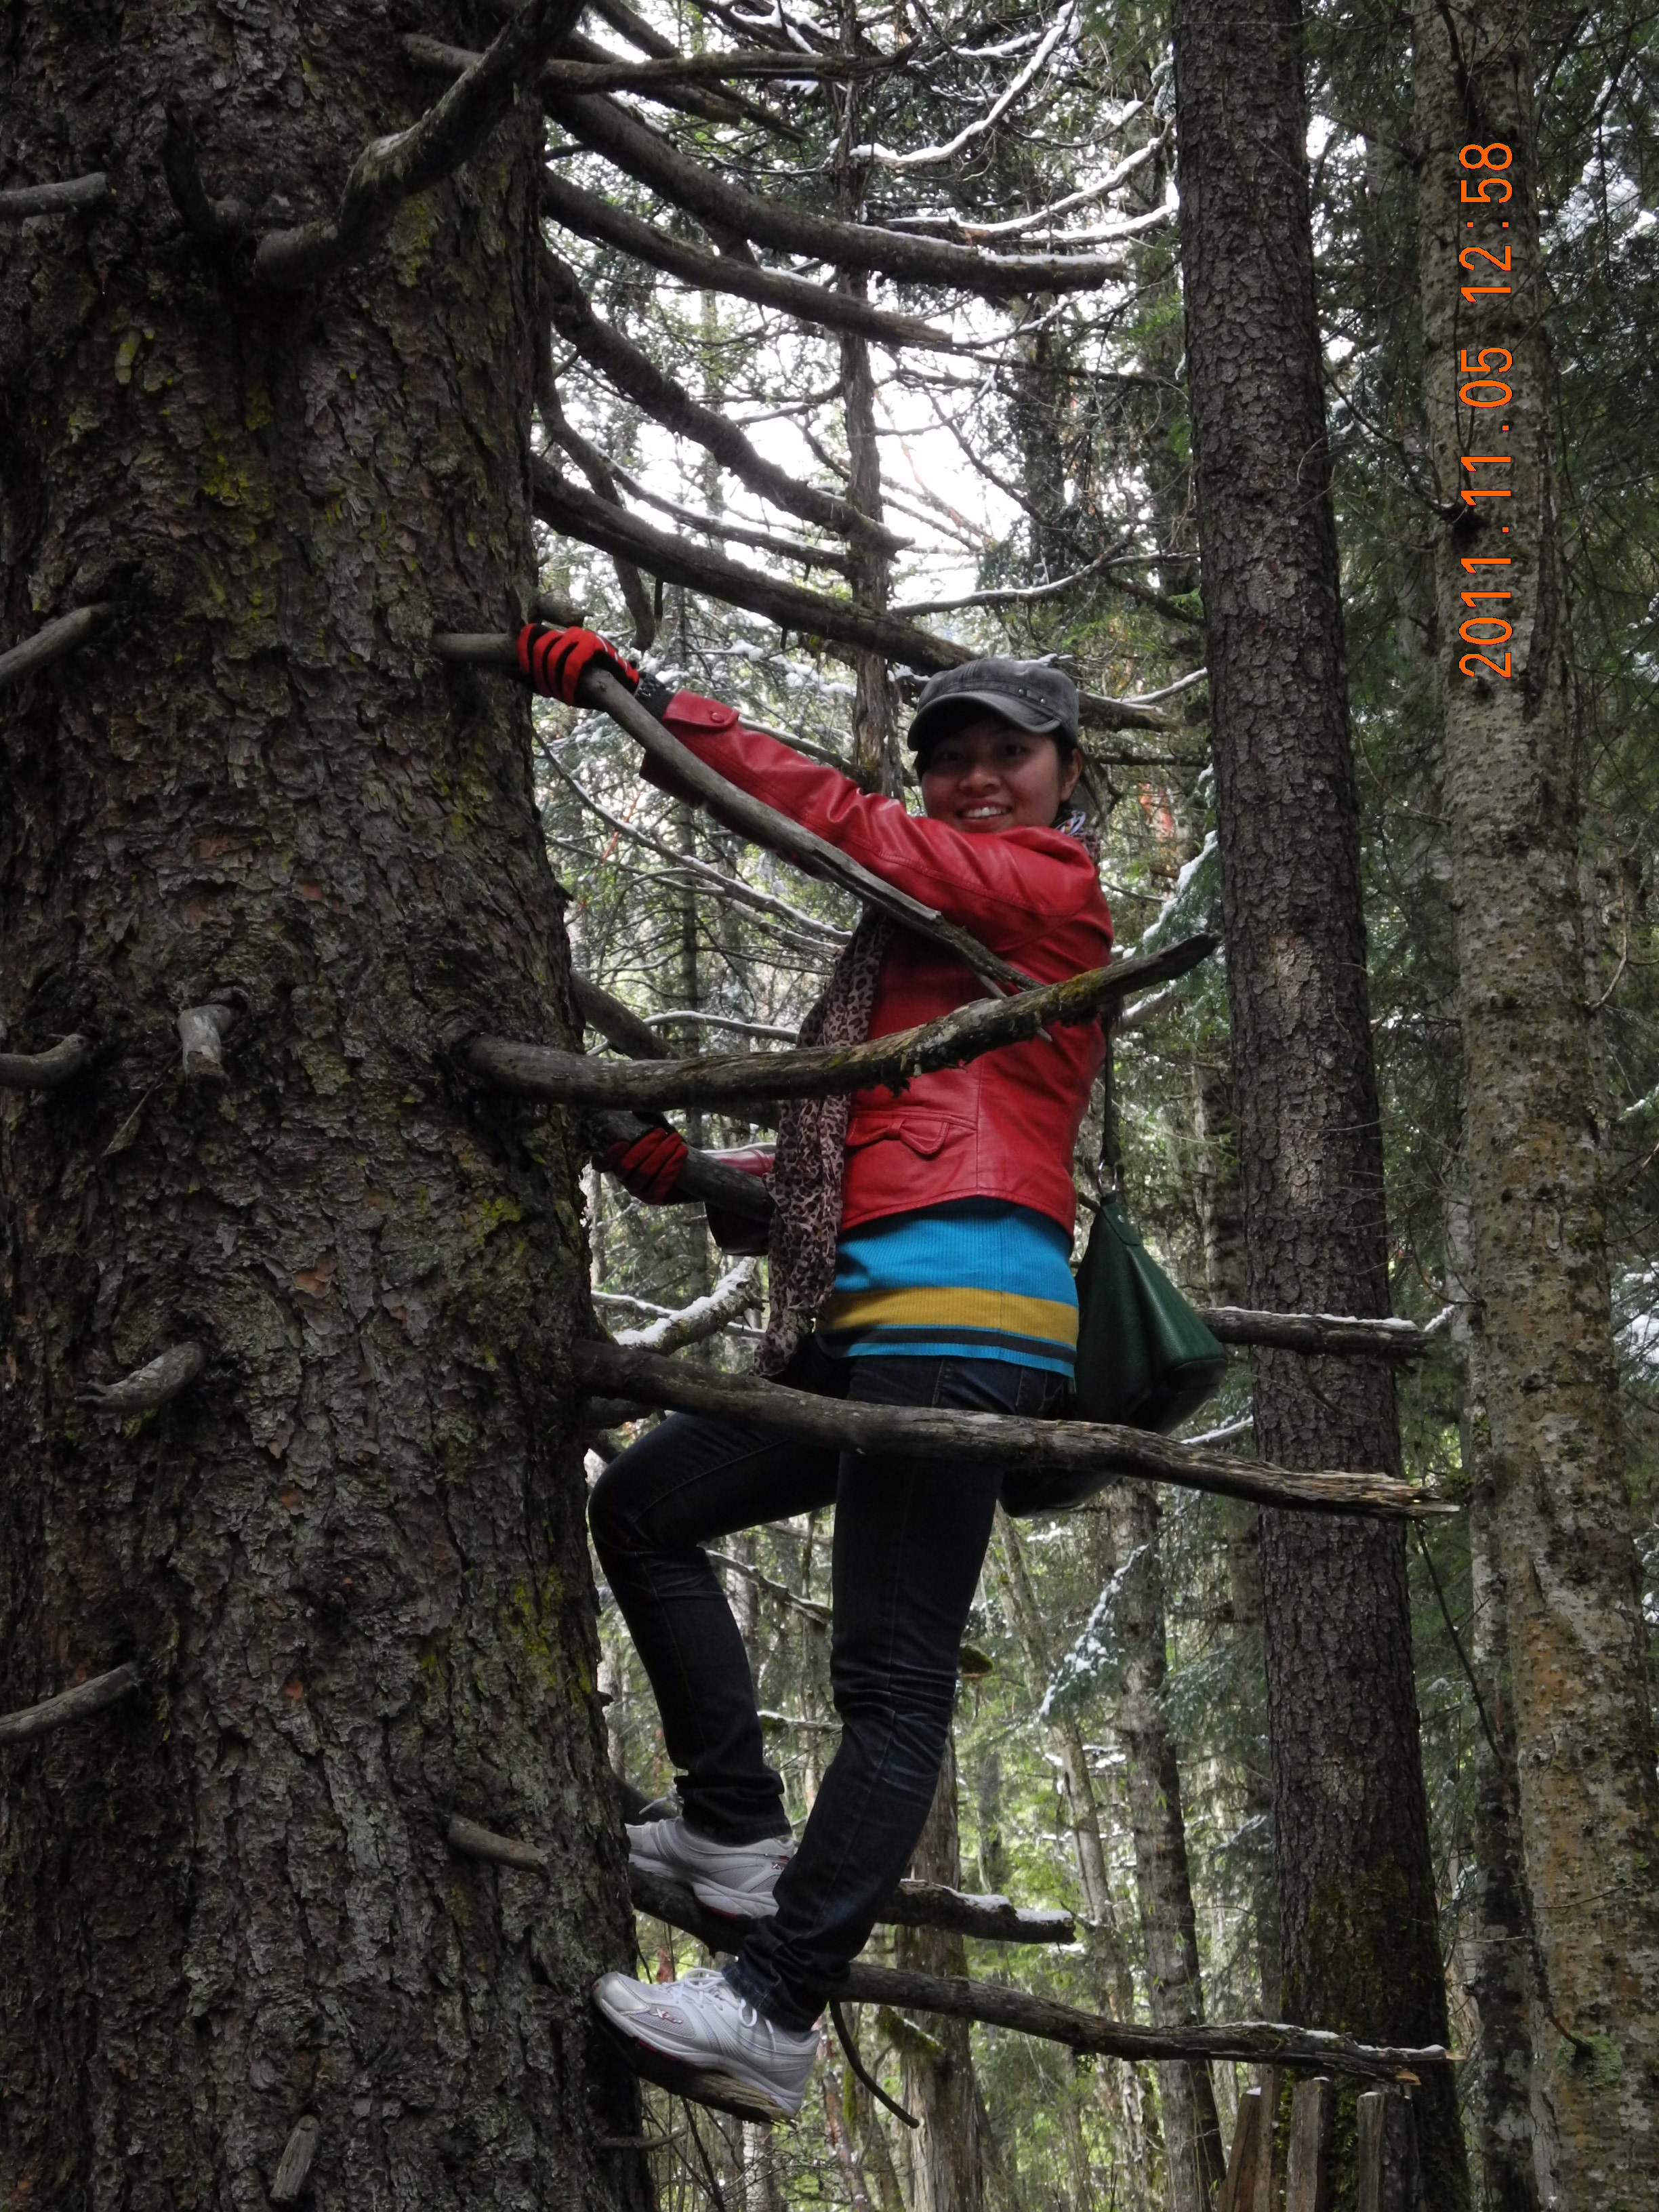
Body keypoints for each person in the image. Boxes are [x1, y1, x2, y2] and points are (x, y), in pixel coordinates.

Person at [518, 624, 1113, 2121]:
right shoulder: (932, 940)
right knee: (646, 1508)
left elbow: (843, 826)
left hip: (965, 1321)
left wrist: (644, 700)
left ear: (1067, 774)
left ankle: (773, 2006)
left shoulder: (1045, 888)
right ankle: (732, 1827)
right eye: (952, 759)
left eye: (1010, 754)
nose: (977, 780)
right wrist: (689, 1175)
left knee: (891, 1682)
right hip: (875, 1322)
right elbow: (869, 1151)